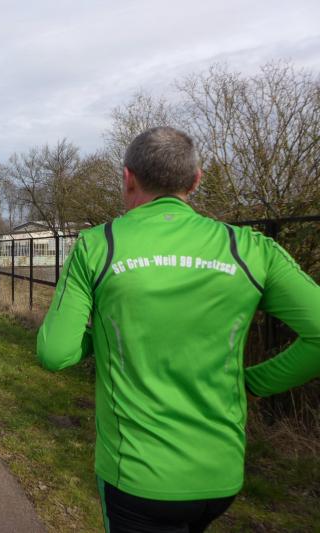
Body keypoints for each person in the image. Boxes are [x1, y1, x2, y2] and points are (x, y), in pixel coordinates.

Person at [36, 126, 320, 533]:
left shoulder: (98, 245)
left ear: (128, 178)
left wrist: (103, 337)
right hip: (220, 476)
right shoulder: (249, 248)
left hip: (137, 476)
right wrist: (253, 383)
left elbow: (55, 352)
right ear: (196, 180)